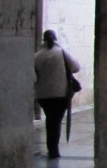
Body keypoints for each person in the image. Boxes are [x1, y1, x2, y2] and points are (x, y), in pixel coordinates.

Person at [34, 29, 81, 159]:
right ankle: (53, 150)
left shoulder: (37, 55)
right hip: (60, 93)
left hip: (42, 94)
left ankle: (52, 148)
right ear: (55, 39)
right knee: (55, 121)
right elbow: (76, 67)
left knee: (51, 119)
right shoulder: (61, 52)